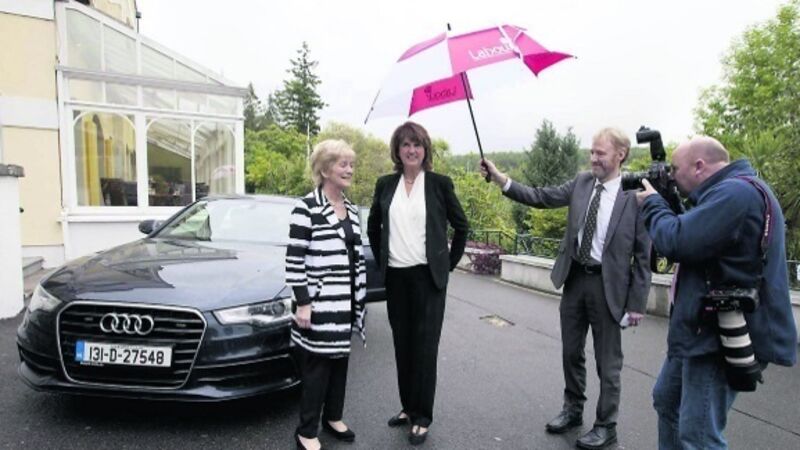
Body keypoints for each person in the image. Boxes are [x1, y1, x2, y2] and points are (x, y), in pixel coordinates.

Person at [481, 127, 651, 450]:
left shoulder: (636, 195)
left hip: (608, 287)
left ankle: (606, 426)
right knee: (571, 352)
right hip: (575, 280)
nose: (593, 158)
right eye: (592, 151)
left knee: (608, 363)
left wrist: (637, 303)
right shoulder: (582, 182)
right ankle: (573, 409)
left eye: (600, 153)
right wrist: (501, 179)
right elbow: (540, 197)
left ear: (621, 155)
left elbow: (644, 255)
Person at [636, 136, 797, 449]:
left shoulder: (736, 194)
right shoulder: (729, 192)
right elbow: (696, 238)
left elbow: (677, 241)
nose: (671, 177)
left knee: (699, 436)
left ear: (699, 166)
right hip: (699, 331)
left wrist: (654, 203)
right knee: (667, 402)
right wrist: (670, 202)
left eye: (675, 169)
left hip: (718, 337)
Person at [367, 121, 469, 445]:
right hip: (396, 278)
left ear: (425, 150)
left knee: (424, 349)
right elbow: (373, 226)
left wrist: (446, 266)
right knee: (402, 346)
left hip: (428, 279)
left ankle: (423, 417)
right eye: (406, 145)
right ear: (397, 150)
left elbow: (462, 227)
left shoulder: (439, 184)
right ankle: (408, 408)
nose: (412, 150)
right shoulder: (386, 184)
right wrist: (383, 262)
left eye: (417, 144)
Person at [285, 139, 367, 450]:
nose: (350, 169)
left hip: (346, 302)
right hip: (319, 304)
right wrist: (304, 303)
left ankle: (333, 417)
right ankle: (306, 431)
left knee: (340, 363)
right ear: (324, 169)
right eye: (343, 164)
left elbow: (354, 256)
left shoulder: (351, 209)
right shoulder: (306, 207)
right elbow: (294, 260)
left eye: (351, 164)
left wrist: (359, 299)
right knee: (317, 369)